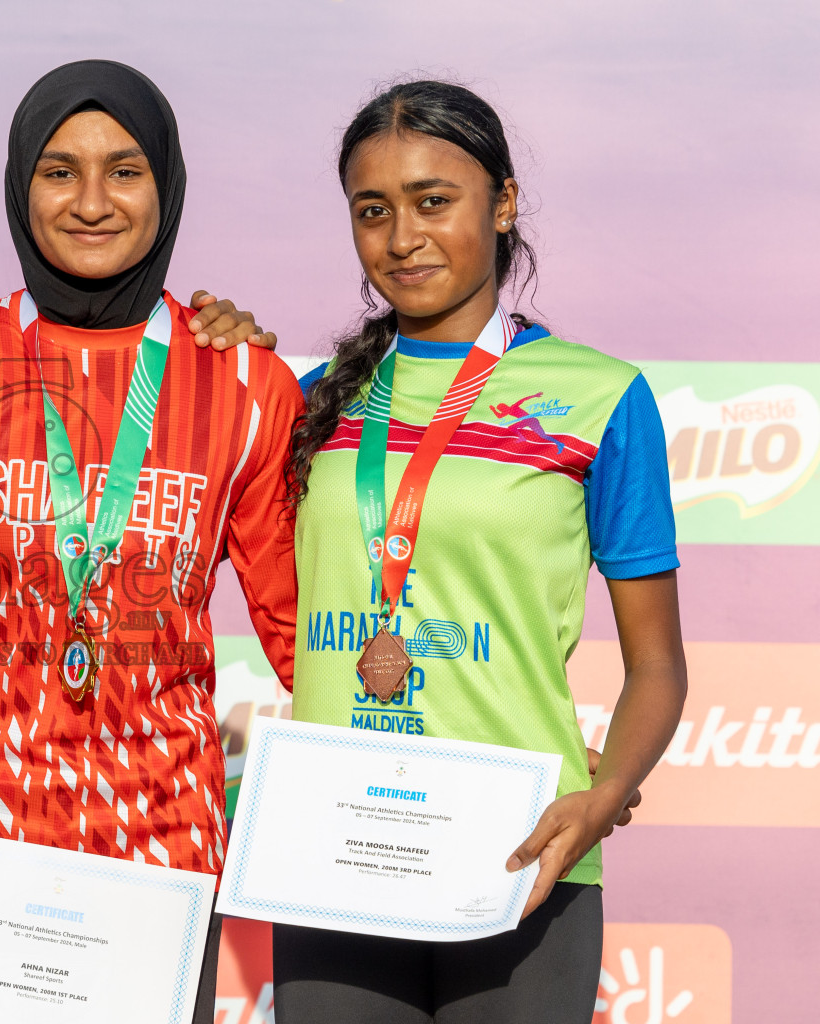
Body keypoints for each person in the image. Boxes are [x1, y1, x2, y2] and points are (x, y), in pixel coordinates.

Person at [0, 59, 304, 1023]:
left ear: (165, 189)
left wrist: (473, 749)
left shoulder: (247, 384)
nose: (92, 202)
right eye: (59, 171)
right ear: (19, 185)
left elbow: (307, 636)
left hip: (160, 857)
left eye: (124, 171)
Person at [274, 81, 687, 1023]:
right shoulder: (306, 402)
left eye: (434, 201)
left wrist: (606, 791)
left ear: (502, 203)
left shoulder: (599, 397)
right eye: (371, 211)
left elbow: (658, 665)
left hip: (524, 854)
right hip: (338, 850)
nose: (401, 237)